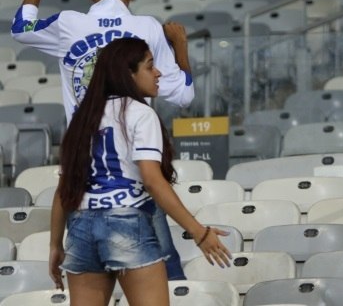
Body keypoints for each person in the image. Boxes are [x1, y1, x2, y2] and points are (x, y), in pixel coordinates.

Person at [11, 0, 193, 280]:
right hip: (136, 175)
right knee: (165, 283)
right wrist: (181, 47)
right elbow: (183, 95)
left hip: (84, 176)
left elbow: (20, 29)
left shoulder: (69, 23)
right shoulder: (147, 28)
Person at [49, 37, 231, 305]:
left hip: (81, 226)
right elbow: (152, 180)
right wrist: (198, 232)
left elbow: (64, 190)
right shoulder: (140, 114)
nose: (157, 73)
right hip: (127, 221)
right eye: (149, 66)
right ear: (128, 74)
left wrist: (55, 245)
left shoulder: (82, 117)